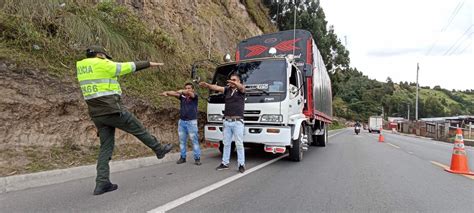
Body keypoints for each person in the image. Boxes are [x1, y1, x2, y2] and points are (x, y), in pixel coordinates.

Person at [76, 45, 173, 195]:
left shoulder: (81, 67)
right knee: (138, 128)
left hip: (97, 115)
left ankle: (102, 183)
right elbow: (127, 67)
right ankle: (158, 149)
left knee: (105, 148)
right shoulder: (103, 63)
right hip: (112, 110)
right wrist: (148, 64)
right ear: (101, 55)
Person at [199, 73, 246, 173]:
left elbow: (241, 87)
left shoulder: (241, 90)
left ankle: (241, 164)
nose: (231, 81)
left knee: (239, 144)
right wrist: (208, 85)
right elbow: (217, 87)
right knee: (226, 144)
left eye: (234, 80)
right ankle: (225, 163)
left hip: (237, 122)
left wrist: (234, 83)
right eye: (230, 80)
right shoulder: (227, 90)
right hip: (227, 122)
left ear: (238, 81)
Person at [161, 83, 201, 165]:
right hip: (182, 122)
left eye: (189, 88)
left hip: (192, 122)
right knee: (182, 141)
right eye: (186, 88)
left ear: (192, 89)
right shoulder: (182, 97)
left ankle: (197, 158)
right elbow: (174, 93)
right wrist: (167, 93)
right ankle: (183, 157)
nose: (187, 89)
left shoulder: (195, 96)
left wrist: (183, 91)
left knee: (194, 141)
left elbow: (189, 94)